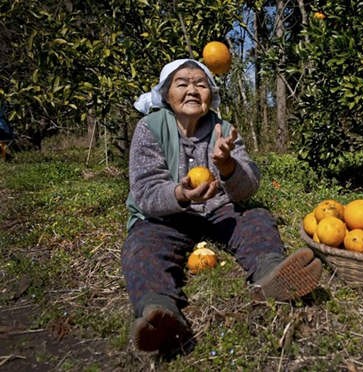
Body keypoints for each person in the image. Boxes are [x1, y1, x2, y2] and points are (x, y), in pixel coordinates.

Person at [122, 59, 323, 353]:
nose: (192, 90)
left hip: (219, 211)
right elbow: (145, 190)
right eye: (182, 83)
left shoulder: (223, 129)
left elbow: (248, 186)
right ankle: (159, 310)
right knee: (142, 244)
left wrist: (228, 165)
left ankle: (270, 273)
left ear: (211, 95)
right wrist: (181, 194)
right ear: (166, 95)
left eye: (200, 84)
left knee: (255, 218)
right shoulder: (149, 128)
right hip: (167, 217)